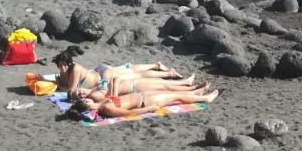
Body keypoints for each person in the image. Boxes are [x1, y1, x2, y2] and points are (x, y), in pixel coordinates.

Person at [52, 47, 190, 94]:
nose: (62, 68)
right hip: (99, 72)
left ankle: (168, 73)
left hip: (103, 75)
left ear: (69, 64)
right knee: (128, 69)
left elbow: (70, 89)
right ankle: (155, 65)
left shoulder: (75, 68)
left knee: (135, 75)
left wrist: (58, 84)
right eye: (60, 65)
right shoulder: (64, 72)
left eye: (65, 65)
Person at [68, 84, 219, 120]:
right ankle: (206, 98)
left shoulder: (102, 103)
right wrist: (150, 109)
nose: (85, 97)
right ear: (87, 104)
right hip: (145, 103)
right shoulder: (106, 109)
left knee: (172, 94)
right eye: (85, 100)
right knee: (174, 97)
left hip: (142, 96)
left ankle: (196, 92)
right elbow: (130, 113)